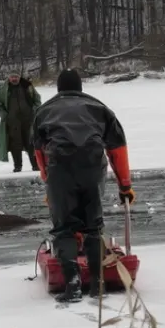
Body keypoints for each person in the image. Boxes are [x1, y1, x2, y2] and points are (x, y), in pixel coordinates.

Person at [32, 68, 136, 303]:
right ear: (80, 88)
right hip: (92, 167)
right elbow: (117, 150)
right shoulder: (100, 109)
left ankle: (73, 285)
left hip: (60, 169)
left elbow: (39, 153)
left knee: (64, 228)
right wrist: (125, 187)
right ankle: (97, 284)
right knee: (93, 226)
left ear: (59, 88)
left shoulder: (44, 111)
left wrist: (50, 183)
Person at [0, 71, 42, 172]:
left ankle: (35, 166)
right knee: (15, 145)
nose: (14, 79)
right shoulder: (3, 89)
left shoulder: (27, 86)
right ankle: (17, 166)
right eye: (12, 77)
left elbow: (37, 100)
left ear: (19, 77)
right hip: (13, 122)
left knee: (31, 143)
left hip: (28, 121)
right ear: (9, 77)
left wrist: (34, 111)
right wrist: (5, 116)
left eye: (16, 76)